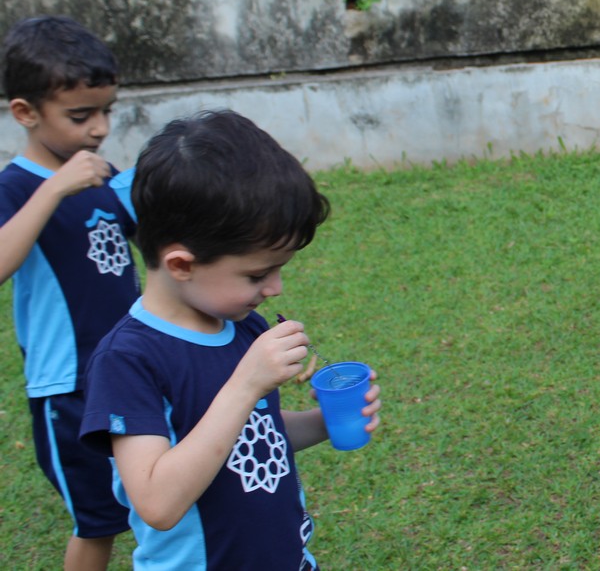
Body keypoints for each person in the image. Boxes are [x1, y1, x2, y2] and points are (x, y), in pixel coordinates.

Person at [80, 109, 383, 569]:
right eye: (257, 274)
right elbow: (157, 503)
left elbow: (256, 435)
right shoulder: (127, 360)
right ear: (181, 265)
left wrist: (324, 422)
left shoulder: (242, 326)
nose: (275, 288)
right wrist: (246, 384)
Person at [0, 16, 136, 571]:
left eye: (107, 111)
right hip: (69, 386)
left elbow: (156, 238)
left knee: (160, 494)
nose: (99, 128)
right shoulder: (16, 187)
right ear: (25, 112)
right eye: (81, 116)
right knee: (98, 521)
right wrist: (55, 188)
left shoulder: (101, 174)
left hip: (132, 367)